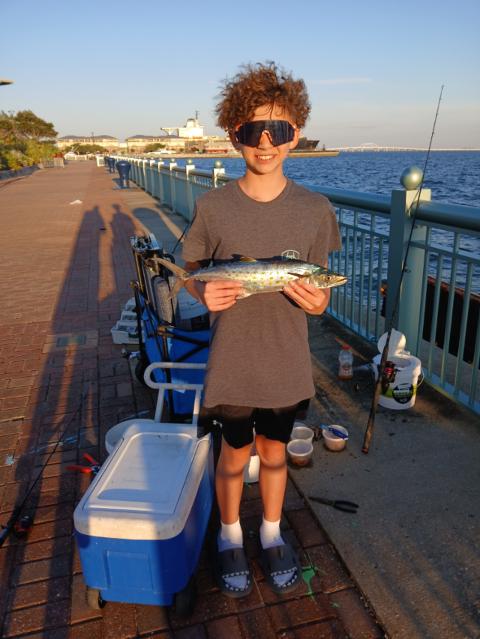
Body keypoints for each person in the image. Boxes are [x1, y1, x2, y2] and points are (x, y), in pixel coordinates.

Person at [182, 62, 341, 597]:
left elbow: (319, 282)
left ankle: (271, 532)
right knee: (232, 455)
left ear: (296, 134)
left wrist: (320, 303)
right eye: (253, 130)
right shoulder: (212, 206)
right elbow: (192, 271)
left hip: (285, 364)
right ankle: (229, 534)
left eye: (278, 129)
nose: (266, 142)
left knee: (275, 453)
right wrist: (200, 291)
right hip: (233, 362)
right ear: (235, 136)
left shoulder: (316, 209)